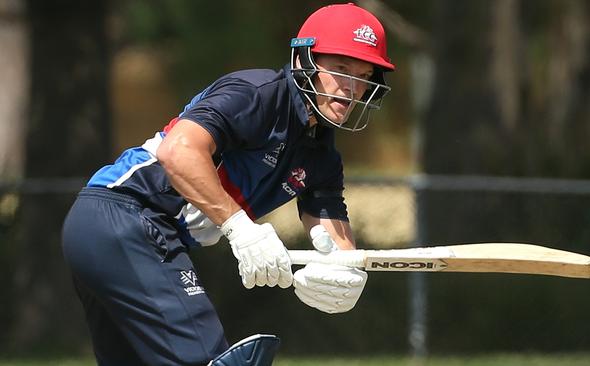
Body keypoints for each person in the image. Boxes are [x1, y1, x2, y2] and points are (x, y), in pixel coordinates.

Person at [61, 3, 395, 365]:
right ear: (303, 61)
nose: (351, 88)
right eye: (341, 69)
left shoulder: (322, 157)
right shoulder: (258, 93)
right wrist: (241, 229)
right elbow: (179, 150)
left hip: (116, 230)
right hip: (125, 216)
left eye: (364, 76)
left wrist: (343, 273)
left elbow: (336, 243)